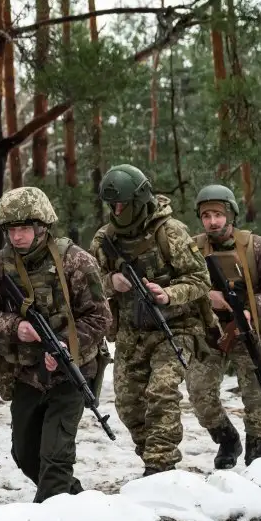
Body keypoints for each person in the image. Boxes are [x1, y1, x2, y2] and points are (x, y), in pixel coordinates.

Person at [0, 187, 112, 500]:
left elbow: (100, 318)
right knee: (24, 453)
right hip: (25, 374)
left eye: (24, 229)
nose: (17, 237)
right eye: (11, 230)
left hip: (72, 372)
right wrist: (15, 326)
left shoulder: (76, 262)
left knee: (56, 456)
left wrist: (63, 348)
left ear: (42, 226)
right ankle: (75, 498)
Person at [90, 164, 213, 476]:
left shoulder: (171, 233)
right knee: (127, 403)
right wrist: (111, 282)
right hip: (131, 331)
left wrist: (169, 293)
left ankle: (161, 466)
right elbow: (87, 285)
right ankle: (152, 456)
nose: (117, 210)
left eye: (123, 204)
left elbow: (200, 279)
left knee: (161, 392)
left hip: (175, 327)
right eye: (112, 205)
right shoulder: (104, 239)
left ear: (140, 199)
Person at [186, 184, 261, 467]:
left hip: (248, 329)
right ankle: (226, 439)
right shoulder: (190, 249)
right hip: (210, 331)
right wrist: (207, 295)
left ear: (231, 214)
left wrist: (250, 310)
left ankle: (259, 456)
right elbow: (177, 284)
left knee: (259, 392)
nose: (212, 221)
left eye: (218, 214)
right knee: (199, 392)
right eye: (206, 215)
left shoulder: (259, 248)